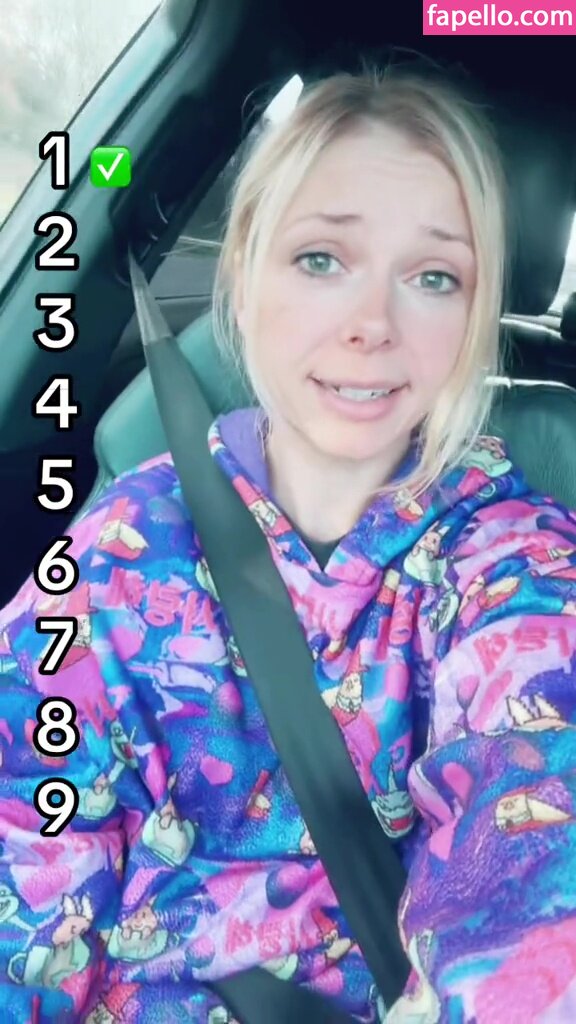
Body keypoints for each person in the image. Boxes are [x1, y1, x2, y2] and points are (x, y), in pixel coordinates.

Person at [0, 65, 575, 1024]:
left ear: (474, 317)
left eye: (434, 278)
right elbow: (24, 831)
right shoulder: (118, 554)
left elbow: (542, 837)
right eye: (321, 259)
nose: (372, 325)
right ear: (243, 275)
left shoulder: (518, 569)